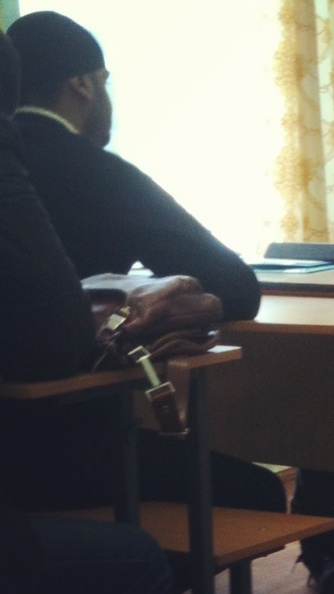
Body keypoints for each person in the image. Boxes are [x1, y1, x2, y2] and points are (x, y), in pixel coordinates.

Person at [4, 11, 286, 528]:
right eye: (106, 82)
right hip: (66, 454)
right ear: (84, 84)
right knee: (259, 493)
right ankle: (130, 581)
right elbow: (235, 287)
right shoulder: (97, 173)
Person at [0, 29, 172, 594]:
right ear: (85, 83)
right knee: (142, 560)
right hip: (50, 455)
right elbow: (60, 336)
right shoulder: (85, 167)